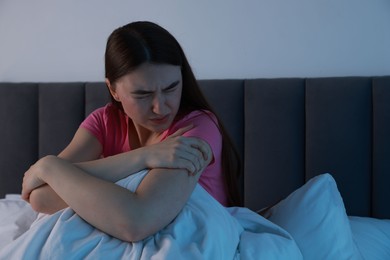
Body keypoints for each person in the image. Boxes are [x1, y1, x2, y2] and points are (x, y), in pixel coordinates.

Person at [21, 21, 241, 242]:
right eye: (142, 94)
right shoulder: (104, 122)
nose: (161, 107)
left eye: (171, 88)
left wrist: (49, 166)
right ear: (113, 90)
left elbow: (137, 222)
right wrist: (143, 157)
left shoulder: (197, 127)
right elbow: (41, 198)